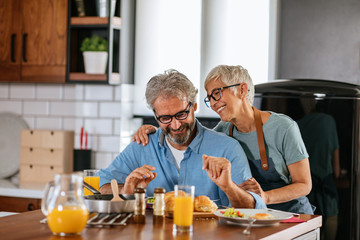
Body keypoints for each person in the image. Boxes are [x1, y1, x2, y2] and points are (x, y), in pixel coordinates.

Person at [133, 65, 313, 214]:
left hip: (292, 215)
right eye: (209, 97)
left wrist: (264, 197)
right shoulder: (222, 130)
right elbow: (191, 137)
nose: (212, 103)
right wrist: (158, 129)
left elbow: (304, 185)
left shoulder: (283, 127)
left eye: (217, 93)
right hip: (254, 216)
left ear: (242, 90)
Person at [99, 69, 265, 209]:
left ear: (194, 106)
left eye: (181, 114)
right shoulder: (142, 146)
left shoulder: (227, 148)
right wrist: (127, 190)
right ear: (155, 116)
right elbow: (98, 186)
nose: (176, 125)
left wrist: (229, 187)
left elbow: (252, 209)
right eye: (165, 118)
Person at [297, 99, 340, 240]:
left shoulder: (298, 123)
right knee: (331, 218)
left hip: (305, 188)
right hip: (325, 183)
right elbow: (336, 161)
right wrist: (338, 172)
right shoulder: (329, 121)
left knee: (312, 222)